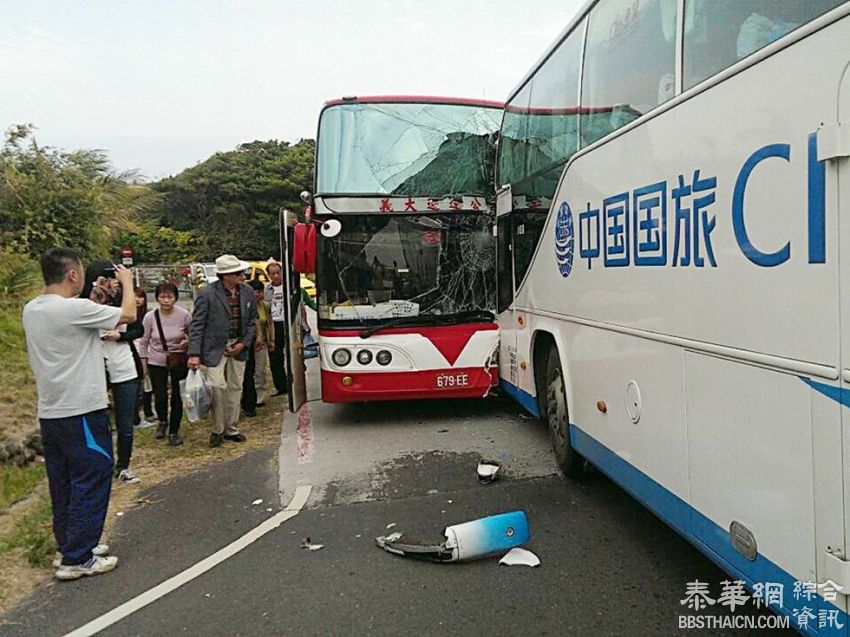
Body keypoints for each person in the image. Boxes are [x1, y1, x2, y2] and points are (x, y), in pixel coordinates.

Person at [22, 248, 135, 580]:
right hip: (82, 409)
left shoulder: (32, 309)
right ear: (73, 274)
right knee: (94, 473)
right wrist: (127, 282)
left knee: (64, 481)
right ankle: (78, 557)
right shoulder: (74, 309)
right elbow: (127, 314)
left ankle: (69, 546)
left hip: (51, 410)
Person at [188, 254, 257, 447]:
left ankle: (231, 428)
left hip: (238, 344)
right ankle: (217, 429)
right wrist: (194, 353)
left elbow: (252, 321)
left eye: (240, 271)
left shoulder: (247, 291)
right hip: (214, 347)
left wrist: (243, 343)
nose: (241, 275)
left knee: (235, 387)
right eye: (237, 273)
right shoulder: (207, 294)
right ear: (225, 275)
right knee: (217, 388)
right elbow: (197, 324)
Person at [83, 265, 142, 485]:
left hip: (123, 365)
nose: (112, 283)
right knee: (99, 421)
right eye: (107, 279)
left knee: (125, 421)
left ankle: (123, 466)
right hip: (96, 366)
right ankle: (101, 465)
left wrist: (119, 336)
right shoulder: (85, 304)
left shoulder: (122, 302)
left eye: (114, 279)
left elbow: (138, 328)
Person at [137, 282, 191, 446]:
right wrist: (143, 364)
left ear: (175, 298)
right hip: (156, 360)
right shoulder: (150, 317)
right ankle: (162, 421)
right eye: (162, 297)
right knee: (160, 395)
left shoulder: (184, 315)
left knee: (177, 396)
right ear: (157, 298)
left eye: (169, 297)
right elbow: (143, 341)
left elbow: (194, 335)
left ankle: (174, 430)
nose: (166, 301)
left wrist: (187, 344)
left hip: (178, 359)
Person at [242, 279, 273, 416]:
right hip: (247, 342)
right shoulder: (245, 306)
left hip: (261, 343)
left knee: (260, 369)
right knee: (247, 371)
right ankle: (247, 397)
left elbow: (270, 323)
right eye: (256, 292)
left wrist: (271, 340)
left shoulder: (265, 306)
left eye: (261, 292)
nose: (259, 295)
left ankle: (259, 396)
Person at [131, 287, 156, 428]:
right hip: (134, 353)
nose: (138, 300)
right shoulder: (128, 315)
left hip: (148, 352)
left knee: (148, 384)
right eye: (135, 296)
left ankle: (148, 412)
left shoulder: (148, 315)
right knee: (139, 385)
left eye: (141, 296)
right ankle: (137, 417)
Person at [265, 261, 288, 396]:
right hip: (274, 325)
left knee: (293, 357)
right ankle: (281, 386)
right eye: (272, 273)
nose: (276, 276)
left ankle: (294, 383)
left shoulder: (289, 288)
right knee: (275, 358)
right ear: (268, 275)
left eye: (278, 272)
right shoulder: (267, 290)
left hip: (287, 324)